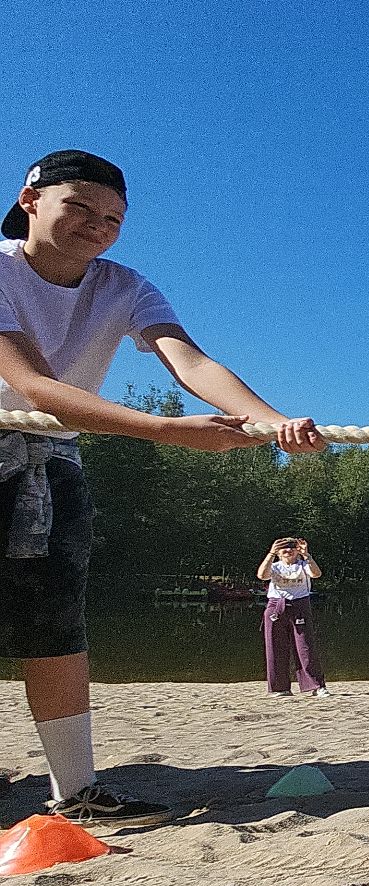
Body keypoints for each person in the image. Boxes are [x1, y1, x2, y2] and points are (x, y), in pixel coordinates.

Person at [0, 150, 324, 828]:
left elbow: (190, 360)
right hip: (16, 433)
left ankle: (76, 792)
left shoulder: (123, 286)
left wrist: (271, 423)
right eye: (80, 208)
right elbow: (32, 385)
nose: (97, 226)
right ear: (30, 201)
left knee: (55, 624)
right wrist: (164, 431)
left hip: (53, 459)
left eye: (113, 219)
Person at [257, 537, 328, 698]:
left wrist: (306, 555)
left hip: (300, 605)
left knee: (305, 647)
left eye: (291, 548)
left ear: (297, 551)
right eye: (284, 548)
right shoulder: (275, 566)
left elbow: (316, 574)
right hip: (276, 605)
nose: (288, 551)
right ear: (278, 552)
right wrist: (271, 553)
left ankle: (316, 686)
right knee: (275, 647)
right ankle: (280, 688)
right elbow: (262, 575)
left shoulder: (303, 565)